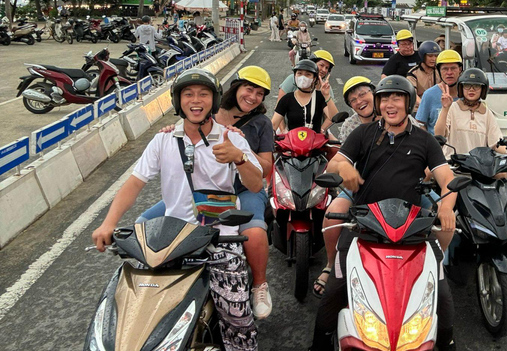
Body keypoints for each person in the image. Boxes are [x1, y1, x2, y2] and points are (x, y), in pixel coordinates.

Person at [91, 68, 262, 350]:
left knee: (237, 318)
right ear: (177, 101)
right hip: (173, 239)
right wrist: (108, 223)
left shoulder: (231, 139)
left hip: (219, 237)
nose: (196, 100)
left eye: (203, 94)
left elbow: (256, 186)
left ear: (215, 101)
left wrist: (239, 158)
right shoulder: (163, 140)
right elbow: (134, 184)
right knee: (133, 303)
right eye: (188, 94)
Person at [309, 76, 457, 351]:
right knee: (336, 289)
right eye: (385, 99)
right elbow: (335, 163)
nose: (390, 105)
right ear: (378, 103)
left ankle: (448, 343)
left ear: (409, 102)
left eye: (397, 98)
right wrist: (343, 169)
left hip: (412, 225)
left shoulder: (425, 140)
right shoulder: (362, 134)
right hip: (363, 222)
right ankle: (318, 344)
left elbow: (447, 177)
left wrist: (446, 206)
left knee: (441, 291)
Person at [136, 66, 276, 320]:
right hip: (198, 190)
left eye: (259, 93)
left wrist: (240, 151)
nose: (252, 97)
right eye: (248, 89)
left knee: (254, 232)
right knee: (144, 226)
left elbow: (265, 169)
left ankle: (259, 285)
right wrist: (173, 129)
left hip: (241, 190)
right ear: (234, 89)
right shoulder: (209, 111)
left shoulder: (261, 124)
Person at [313, 75, 378, 297]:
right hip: (359, 184)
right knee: (332, 215)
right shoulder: (352, 125)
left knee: (438, 218)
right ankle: (331, 264)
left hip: (400, 183)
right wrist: (344, 169)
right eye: (353, 99)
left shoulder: (398, 116)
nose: (359, 100)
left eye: (362, 94)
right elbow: (339, 160)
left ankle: (436, 267)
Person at [434, 68, 507, 169]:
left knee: (502, 176)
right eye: (467, 85)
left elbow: (496, 144)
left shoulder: (487, 113)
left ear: (483, 90)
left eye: (476, 86)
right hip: (453, 165)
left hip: (479, 168)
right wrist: (445, 109)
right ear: (461, 88)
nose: (471, 89)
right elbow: (439, 134)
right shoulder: (452, 108)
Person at [272, 59, 335, 133]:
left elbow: (333, 117)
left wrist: (327, 96)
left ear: (314, 78)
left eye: (308, 74)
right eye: (299, 73)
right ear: (295, 76)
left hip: (316, 142)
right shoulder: (287, 99)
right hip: (291, 141)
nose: (303, 77)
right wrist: (282, 132)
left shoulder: (320, 97)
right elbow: (273, 124)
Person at [416, 49, 463, 134]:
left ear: (460, 70)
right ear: (439, 71)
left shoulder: (467, 94)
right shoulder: (429, 95)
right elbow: (419, 123)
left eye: (453, 68)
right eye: (445, 69)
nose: (449, 72)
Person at [407, 40, 441, 108]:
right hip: (419, 109)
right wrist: (425, 106)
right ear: (423, 56)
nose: (434, 59)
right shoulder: (413, 74)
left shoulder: (440, 72)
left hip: (438, 108)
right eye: (430, 56)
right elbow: (413, 94)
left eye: (436, 56)